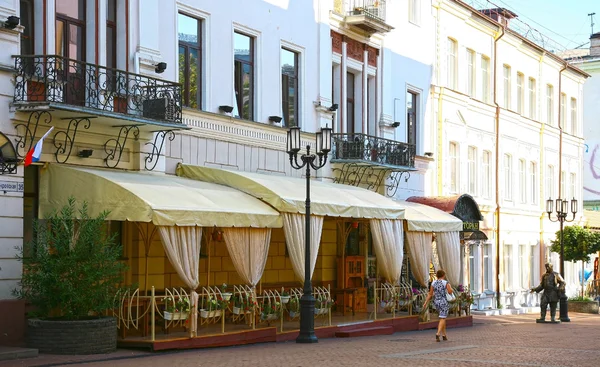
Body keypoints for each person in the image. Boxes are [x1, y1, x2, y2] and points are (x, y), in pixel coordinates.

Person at [424, 269, 453, 342]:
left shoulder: (433, 283)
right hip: (443, 302)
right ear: (443, 275)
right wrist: (451, 289)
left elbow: (430, 294)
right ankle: (438, 333)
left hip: (436, 302)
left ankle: (444, 335)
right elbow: (450, 292)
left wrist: (425, 302)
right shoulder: (445, 282)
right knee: (442, 318)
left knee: (442, 318)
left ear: (437, 276)